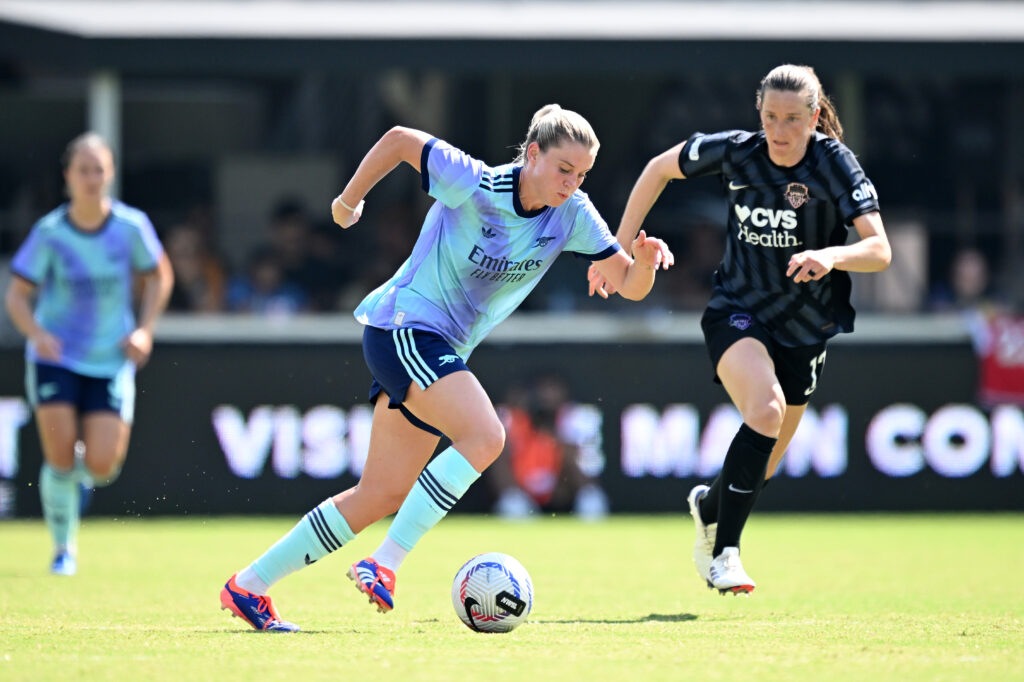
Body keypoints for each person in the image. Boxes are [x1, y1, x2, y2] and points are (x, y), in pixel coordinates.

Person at [219, 104, 673, 631]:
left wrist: (642, 262)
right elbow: (396, 139)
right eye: (563, 169)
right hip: (404, 328)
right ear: (532, 154)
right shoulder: (475, 183)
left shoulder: (572, 213)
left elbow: (629, 286)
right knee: (486, 436)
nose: (571, 183)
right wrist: (348, 201)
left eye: (582, 174)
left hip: (437, 347)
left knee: (381, 494)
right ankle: (383, 564)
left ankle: (248, 586)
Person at [589, 64, 892, 595]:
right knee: (766, 411)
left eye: (793, 119)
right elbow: (658, 169)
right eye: (770, 116)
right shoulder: (735, 151)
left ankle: (710, 505)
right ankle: (724, 552)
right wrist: (618, 247)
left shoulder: (834, 165)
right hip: (738, 311)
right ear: (759, 113)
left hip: (805, 328)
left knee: (768, 455)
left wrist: (831, 254)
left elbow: (880, 250)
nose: (779, 130)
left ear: (814, 117)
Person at [4, 132, 174, 575]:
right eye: (83, 169)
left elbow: (160, 275)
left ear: (110, 173)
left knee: (101, 466)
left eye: (99, 169)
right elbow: (18, 295)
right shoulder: (51, 232)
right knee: (59, 456)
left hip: (109, 359)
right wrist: (36, 333)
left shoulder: (130, 227)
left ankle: (74, 485)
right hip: (55, 357)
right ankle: (64, 548)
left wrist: (145, 330)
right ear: (68, 177)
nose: (91, 178)